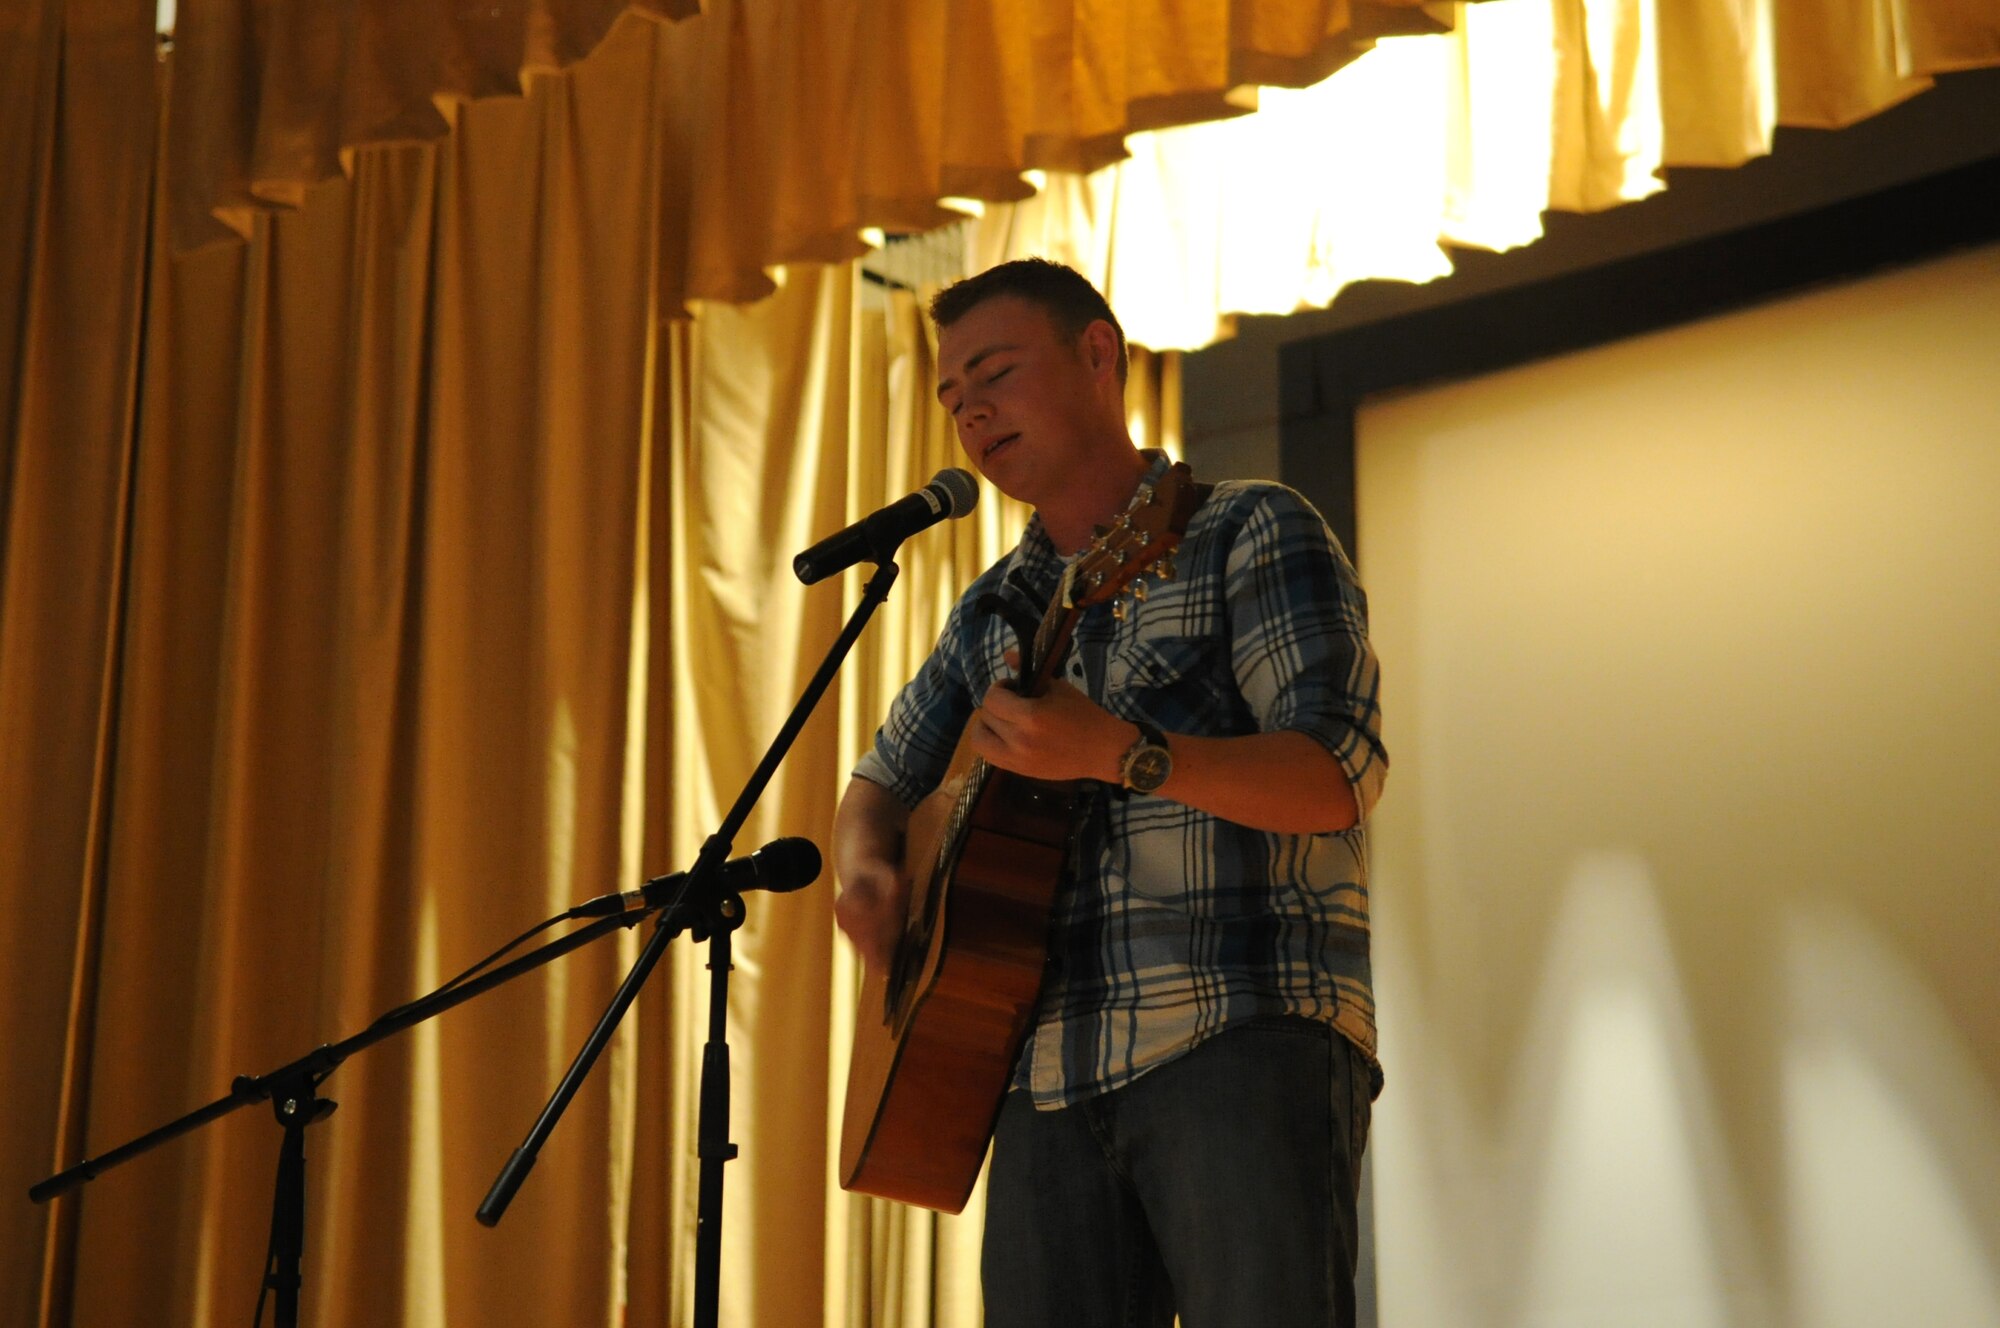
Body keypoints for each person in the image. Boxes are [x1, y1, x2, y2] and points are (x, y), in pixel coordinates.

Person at [832, 258, 1387, 1328]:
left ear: (1098, 355)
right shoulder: (993, 606)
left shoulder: (1250, 529)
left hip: (1238, 1031)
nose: (971, 411)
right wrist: (866, 878)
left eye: (992, 372)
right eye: (952, 398)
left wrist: (1121, 750)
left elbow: (1336, 773)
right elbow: (880, 782)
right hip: (1038, 1072)